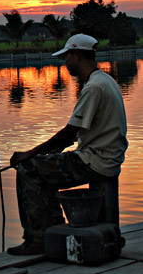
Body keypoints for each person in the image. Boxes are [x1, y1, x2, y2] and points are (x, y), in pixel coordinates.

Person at [7, 33, 128, 255]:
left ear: (78, 55)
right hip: (106, 156)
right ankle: (52, 230)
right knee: (44, 165)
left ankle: (38, 237)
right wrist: (55, 149)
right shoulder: (105, 80)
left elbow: (69, 131)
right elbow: (83, 129)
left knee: (29, 169)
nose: (65, 62)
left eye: (67, 57)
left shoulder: (92, 88)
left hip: (94, 160)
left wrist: (29, 154)